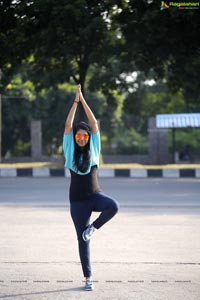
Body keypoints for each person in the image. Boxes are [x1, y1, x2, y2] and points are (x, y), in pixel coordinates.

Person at [63, 84, 119, 291]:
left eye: (84, 136)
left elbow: (93, 123)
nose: (81, 138)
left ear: (88, 138)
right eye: (78, 136)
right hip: (77, 202)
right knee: (82, 242)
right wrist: (74, 102)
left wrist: (83, 99)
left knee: (113, 206)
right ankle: (88, 278)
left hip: (95, 196)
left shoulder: (94, 148)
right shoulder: (69, 149)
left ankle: (92, 228)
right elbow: (68, 125)